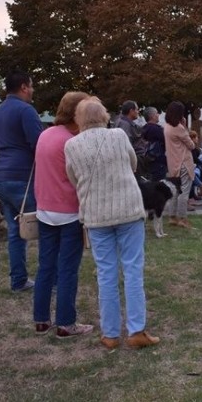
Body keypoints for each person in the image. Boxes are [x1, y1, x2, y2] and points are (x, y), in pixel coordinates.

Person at [65, 97, 159, 349]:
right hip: (127, 209)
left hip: (96, 215)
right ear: (104, 116)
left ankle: (110, 334)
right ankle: (136, 330)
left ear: (79, 119)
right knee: (132, 270)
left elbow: (73, 178)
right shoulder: (118, 135)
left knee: (105, 273)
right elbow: (133, 164)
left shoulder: (71, 145)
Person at [32, 91, 93, 338]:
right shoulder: (72, 141)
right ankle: (66, 323)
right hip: (68, 211)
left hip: (45, 209)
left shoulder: (45, 135)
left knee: (46, 266)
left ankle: (41, 320)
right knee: (67, 268)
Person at [0, 72, 43, 292]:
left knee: (15, 231)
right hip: (23, 176)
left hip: (1, 176)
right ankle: (51, 280)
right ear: (23, 87)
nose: (32, 90)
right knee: (45, 229)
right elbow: (39, 145)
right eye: (31, 86)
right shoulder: (26, 111)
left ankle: (18, 280)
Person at [164, 101, 194, 229]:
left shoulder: (166, 127)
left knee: (175, 191)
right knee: (184, 192)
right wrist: (185, 127)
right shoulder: (179, 128)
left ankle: (172, 217)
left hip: (172, 163)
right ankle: (182, 218)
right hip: (183, 163)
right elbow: (191, 145)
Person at [140, 106, 167, 181]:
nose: (158, 115)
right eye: (156, 113)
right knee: (159, 183)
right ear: (152, 116)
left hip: (148, 159)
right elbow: (166, 141)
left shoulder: (144, 129)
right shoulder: (157, 130)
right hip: (159, 160)